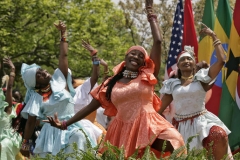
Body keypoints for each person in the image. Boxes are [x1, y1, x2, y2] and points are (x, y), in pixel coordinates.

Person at [44, 0, 185, 158]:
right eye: (133, 53)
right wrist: (64, 124)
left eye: (141, 56)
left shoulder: (146, 76)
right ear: (125, 57)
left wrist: (150, 12)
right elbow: (88, 108)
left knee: (174, 142)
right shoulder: (110, 84)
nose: (136, 57)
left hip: (150, 125)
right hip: (122, 130)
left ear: (143, 63)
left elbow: (158, 42)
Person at [20, 21, 99, 158]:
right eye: (39, 75)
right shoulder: (37, 96)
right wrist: (25, 143)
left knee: (79, 139)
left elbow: (63, 56)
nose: (44, 72)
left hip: (71, 127)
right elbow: (31, 122)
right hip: (50, 136)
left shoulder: (60, 80)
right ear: (36, 84)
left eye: (41, 70)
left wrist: (63, 33)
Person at [159, 23, 232, 160]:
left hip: (203, 122)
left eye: (189, 59)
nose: (186, 61)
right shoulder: (171, 85)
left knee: (219, 134)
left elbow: (221, 60)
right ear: (178, 66)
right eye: (182, 60)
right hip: (181, 126)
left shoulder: (201, 79)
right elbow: (159, 109)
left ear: (194, 63)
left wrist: (213, 36)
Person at [0, 57, 22, 159]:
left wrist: (12, 70)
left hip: (7, 141)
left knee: (4, 145)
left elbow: (9, 87)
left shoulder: (7, 108)